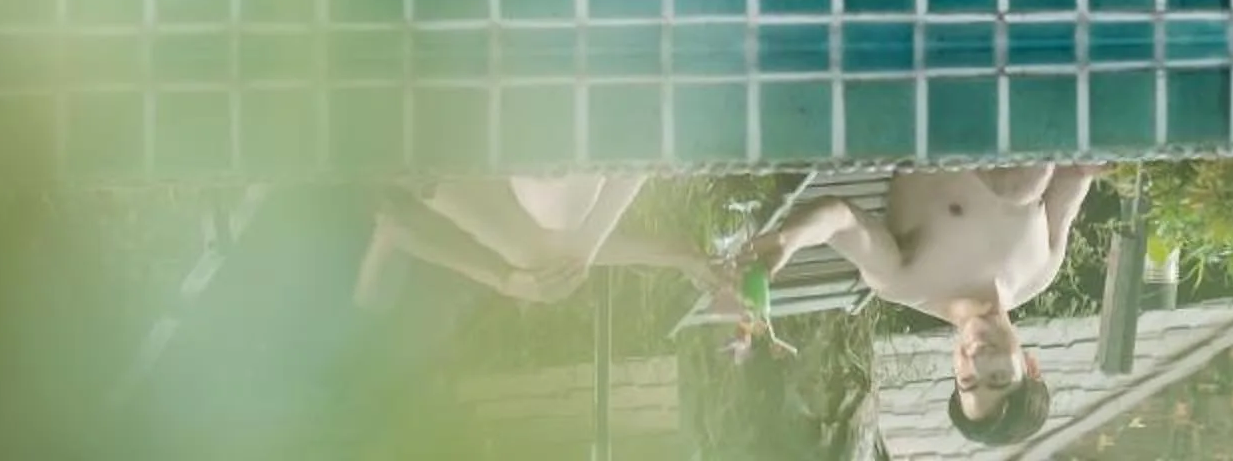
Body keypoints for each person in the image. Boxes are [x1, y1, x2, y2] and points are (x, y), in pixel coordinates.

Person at [738, 165, 1106, 445]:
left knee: (1019, 187)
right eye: (997, 377)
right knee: (1028, 183)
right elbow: (1077, 171)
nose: (977, 361)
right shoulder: (1041, 271)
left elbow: (840, 219)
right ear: (1031, 365)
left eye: (967, 381)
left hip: (933, 102)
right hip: (1020, 95)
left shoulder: (906, 281)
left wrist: (789, 240)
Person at [355, 175, 741, 311]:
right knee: (544, 250)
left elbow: (395, 226)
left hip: (415, 151)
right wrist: (676, 256)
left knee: (552, 233)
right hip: (436, 162)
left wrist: (504, 280)